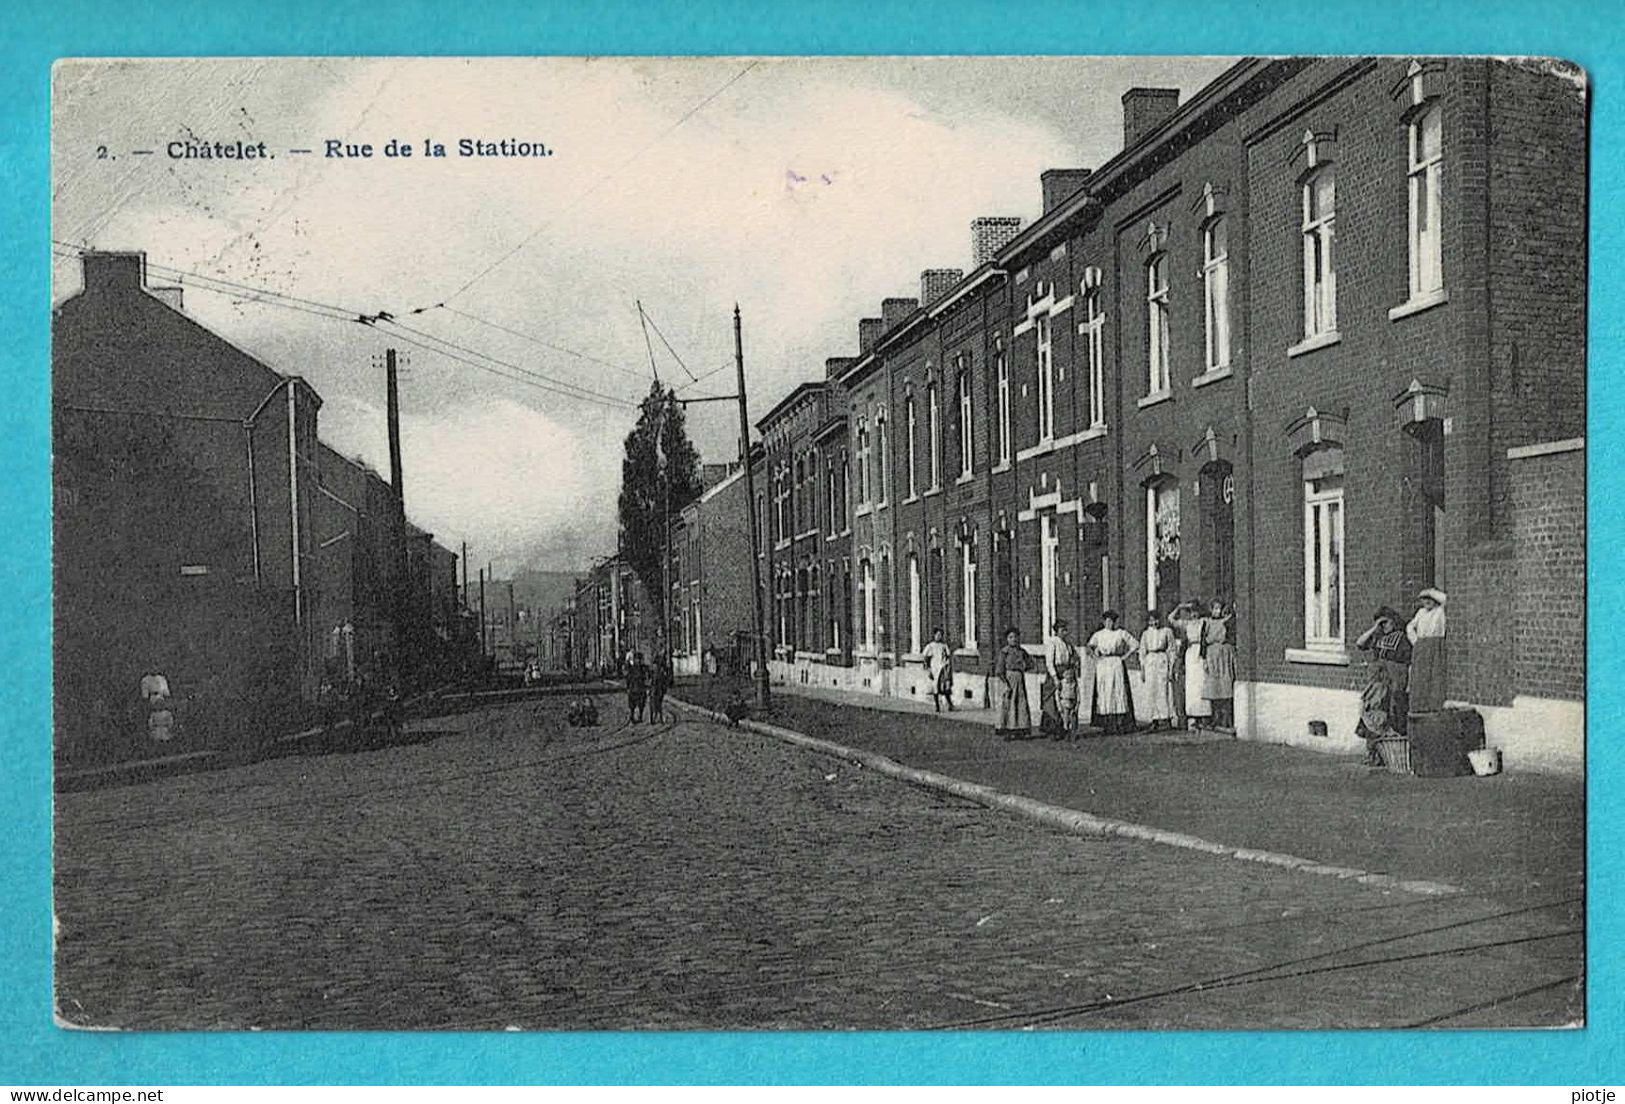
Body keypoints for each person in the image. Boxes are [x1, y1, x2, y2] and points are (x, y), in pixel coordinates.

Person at [1355, 606, 1413, 766]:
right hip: (1377, 685)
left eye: (1386, 622)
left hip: (1393, 684)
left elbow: (1405, 662)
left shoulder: (1402, 638)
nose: (1384, 626)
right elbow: (1360, 643)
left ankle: (1386, 754)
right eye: (1381, 623)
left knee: (1389, 716)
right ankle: (1373, 752)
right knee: (1371, 713)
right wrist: (1375, 628)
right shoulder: (1377, 637)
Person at [1086, 610, 1139, 735]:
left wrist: (1125, 656)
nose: (1110, 623)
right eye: (1107, 621)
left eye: (1112, 621)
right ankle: (1107, 724)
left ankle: (1119, 723)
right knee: (1104, 692)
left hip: (1116, 663)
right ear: (1104, 622)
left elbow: (1135, 644)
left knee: (1118, 691)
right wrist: (1095, 657)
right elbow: (1089, 646)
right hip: (1103, 664)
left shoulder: (1121, 633)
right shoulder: (1098, 635)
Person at [1407, 588, 1448, 714]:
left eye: (1430, 599)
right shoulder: (1420, 613)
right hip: (1422, 646)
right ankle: (1420, 706)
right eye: (1424, 599)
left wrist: (1433, 592)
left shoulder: (1440, 611)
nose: (1427, 602)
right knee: (1420, 675)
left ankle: (1433, 706)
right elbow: (1410, 626)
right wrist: (1416, 642)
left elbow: (1445, 599)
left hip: (1435, 645)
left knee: (1434, 674)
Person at [1170, 601, 1210, 729]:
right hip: (1190, 653)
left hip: (1201, 652)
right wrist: (1179, 607)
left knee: (1201, 683)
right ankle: (1193, 716)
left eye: (1195, 611)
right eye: (1191, 612)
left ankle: (1204, 715)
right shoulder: (1186, 624)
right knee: (1191, 686)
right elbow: (1170, 619)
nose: (1193, 614)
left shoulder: (1204, 622)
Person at [1202, 598, 1238, 732]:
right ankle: (1215, 717)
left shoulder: (1226, 621)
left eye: (1219, 608)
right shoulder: (1207, 622)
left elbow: (1232, 619)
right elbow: (1203, 642)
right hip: (1212, 655)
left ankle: (1226, 718)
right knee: (1213, 686)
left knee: (1225, 685)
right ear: (1211, 610)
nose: (1217, 611)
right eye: (1215, 608)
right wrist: (1204, 660)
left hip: (1223, 654)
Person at [1138, 609, 1177, 731]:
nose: (1154, 622)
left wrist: (1171, 668)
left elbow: (1172, 649)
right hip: (1150, 662)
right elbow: (1142, 652)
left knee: (1163, 690)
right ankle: (1154, 720)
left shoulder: (1166, 632)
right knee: (1151, 691)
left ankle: (1167, 719)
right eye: (1151, 620)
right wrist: (1142, 669)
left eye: (1156, 620)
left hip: (1161, 660)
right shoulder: (1145, 634)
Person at [993, 627, 1032, 741]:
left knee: (1020, 704)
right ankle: (1007, 730)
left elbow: (1030, 663)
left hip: (1019, 679)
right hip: (1008, 680)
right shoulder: (1004, 652)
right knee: (1008, 705)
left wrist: (1024, 666)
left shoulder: (1022, 651)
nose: (1013, 639)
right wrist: (1005, 683)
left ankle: (1020, 728)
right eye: (1010, 637)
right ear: (1007, 639)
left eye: (1015, 637)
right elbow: (999, 669)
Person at [1045, 619, 1082, 739]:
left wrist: (1075, 664)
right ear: (1057, 631)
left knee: (1066, 702)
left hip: (1066, 674)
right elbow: (1049, 662)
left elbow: (1075, 656)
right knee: (1053, 702)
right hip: (1055, 673)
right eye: (1062, 630)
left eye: (1066, 630)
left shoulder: (1067, 644)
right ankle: (1054, 729)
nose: (1065, 632)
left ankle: (1065, 728)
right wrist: (1055, 677)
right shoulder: (1052, 642)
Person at [922, 627, 955, 713]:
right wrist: (928, 669)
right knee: (935, 687)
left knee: (945, 687)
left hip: (943, 668)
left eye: (940, 635)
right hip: (935, 668)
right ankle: (937, 706)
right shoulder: (931, 646)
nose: (939, 637)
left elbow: (947, 657)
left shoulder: (944, 646)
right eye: (937, 635)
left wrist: (947, 667)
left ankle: (950, 704)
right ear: (934, 635)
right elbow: (925, 658)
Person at [648, 654, 671, 723]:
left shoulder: (661, 673)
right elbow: (650, 680)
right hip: (654, 688)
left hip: (659, 689)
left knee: (658, 703)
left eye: (656, 665)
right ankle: (655, 717)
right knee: (653, 703)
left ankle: (658, 716)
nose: (655, 667)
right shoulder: (653, 672)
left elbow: (664, 681)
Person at [626, 651, 648, 722]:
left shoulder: (643, 668)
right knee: (632, 704)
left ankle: (640, 716)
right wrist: (628, 687)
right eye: (636, 659)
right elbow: (628, 678)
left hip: (641, 688)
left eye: (639, 659)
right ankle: (632, 716)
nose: (638, 661)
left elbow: (646, 677)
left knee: (641, 703)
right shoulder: (632, 668)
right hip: (633, 688)